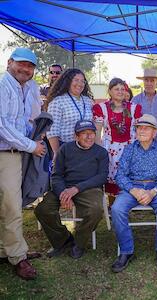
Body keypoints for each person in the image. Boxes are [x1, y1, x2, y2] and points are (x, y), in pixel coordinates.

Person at [0, 47, 46, 280]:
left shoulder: (24, 88)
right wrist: (32, 146)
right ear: (9, 62)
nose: (25, 69)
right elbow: (2, 126)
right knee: (11, 205)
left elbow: (21, 123)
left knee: (9, 204)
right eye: (21, 64)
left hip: (12, 152)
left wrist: (36, 133)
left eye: (30, 66)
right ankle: (16, 255)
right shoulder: (2, 86)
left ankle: (11, 252)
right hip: (6, 151)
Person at [35, 120, 108, 259]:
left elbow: (102, 177)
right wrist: (63, 193)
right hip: (65, 187)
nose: (89, 137)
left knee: (96, 210)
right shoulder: (65, 149)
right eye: (84, 133)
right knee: (42, 209)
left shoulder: (101, 152)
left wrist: (77, 189)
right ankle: (63, 241)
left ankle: (79, 243)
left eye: (92, 133)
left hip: (89, 188)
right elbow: (56, 175)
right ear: (76, 136)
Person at [111, 114, 157, 272]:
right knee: (117, 209)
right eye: (139, 127)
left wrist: (153, 192)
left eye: (147, 128)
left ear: (154, 132)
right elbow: (120, 175)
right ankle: (126, 251)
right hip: (133, 187)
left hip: (155, 188)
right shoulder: (130, 149)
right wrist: (133, 190)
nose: (142, 130)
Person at [93, 78, 142, 196]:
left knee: (128, 179)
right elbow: (97, 131)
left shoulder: (134, 108)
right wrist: (100, 152)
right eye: (116, 89)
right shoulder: (101, 108)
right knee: (111, 182)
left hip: (130, 148)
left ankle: (127, 204)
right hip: (110, 149)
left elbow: (139, 131)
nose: (120, 92)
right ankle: (112, 206)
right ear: (110, 91)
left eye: (122, 89)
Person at [46, 68, 93, 157]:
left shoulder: (88, 101)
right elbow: (52, 131)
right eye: (76, 80)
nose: (80, 84)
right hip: (66, 148)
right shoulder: (58, 101)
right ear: (68, 81)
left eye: (83, 81)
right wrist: (57, 153)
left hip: (87, 147)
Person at [133, 69, 157, 140]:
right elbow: (131, 122)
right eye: (146, 80)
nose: (149, 83)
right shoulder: (135, 100)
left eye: (152, 80)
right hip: (140, 141)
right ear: (143, 82)